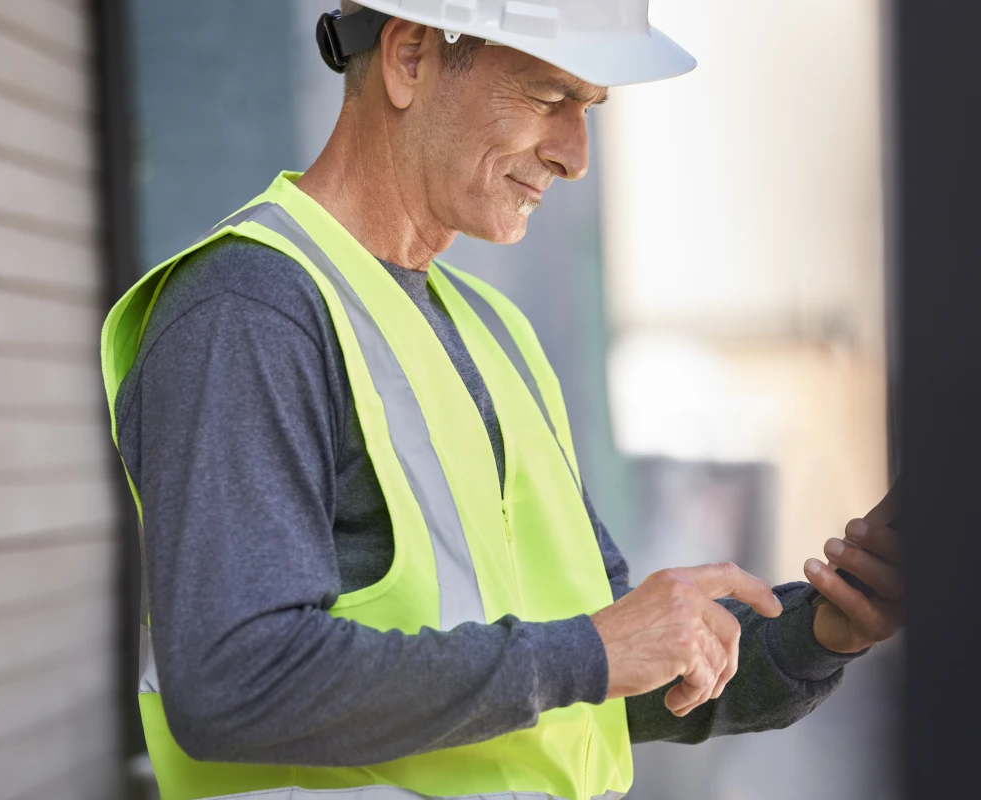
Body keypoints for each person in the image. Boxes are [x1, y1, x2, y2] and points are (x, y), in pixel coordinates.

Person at [100, 3, 905, 798]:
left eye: (590, 109)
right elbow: (238, 681)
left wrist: (824, 629)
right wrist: (591, 652)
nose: (575, 156)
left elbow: (587, 681)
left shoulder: (494, 332)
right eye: (550, 96)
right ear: (410, 56)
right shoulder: (249, 312)